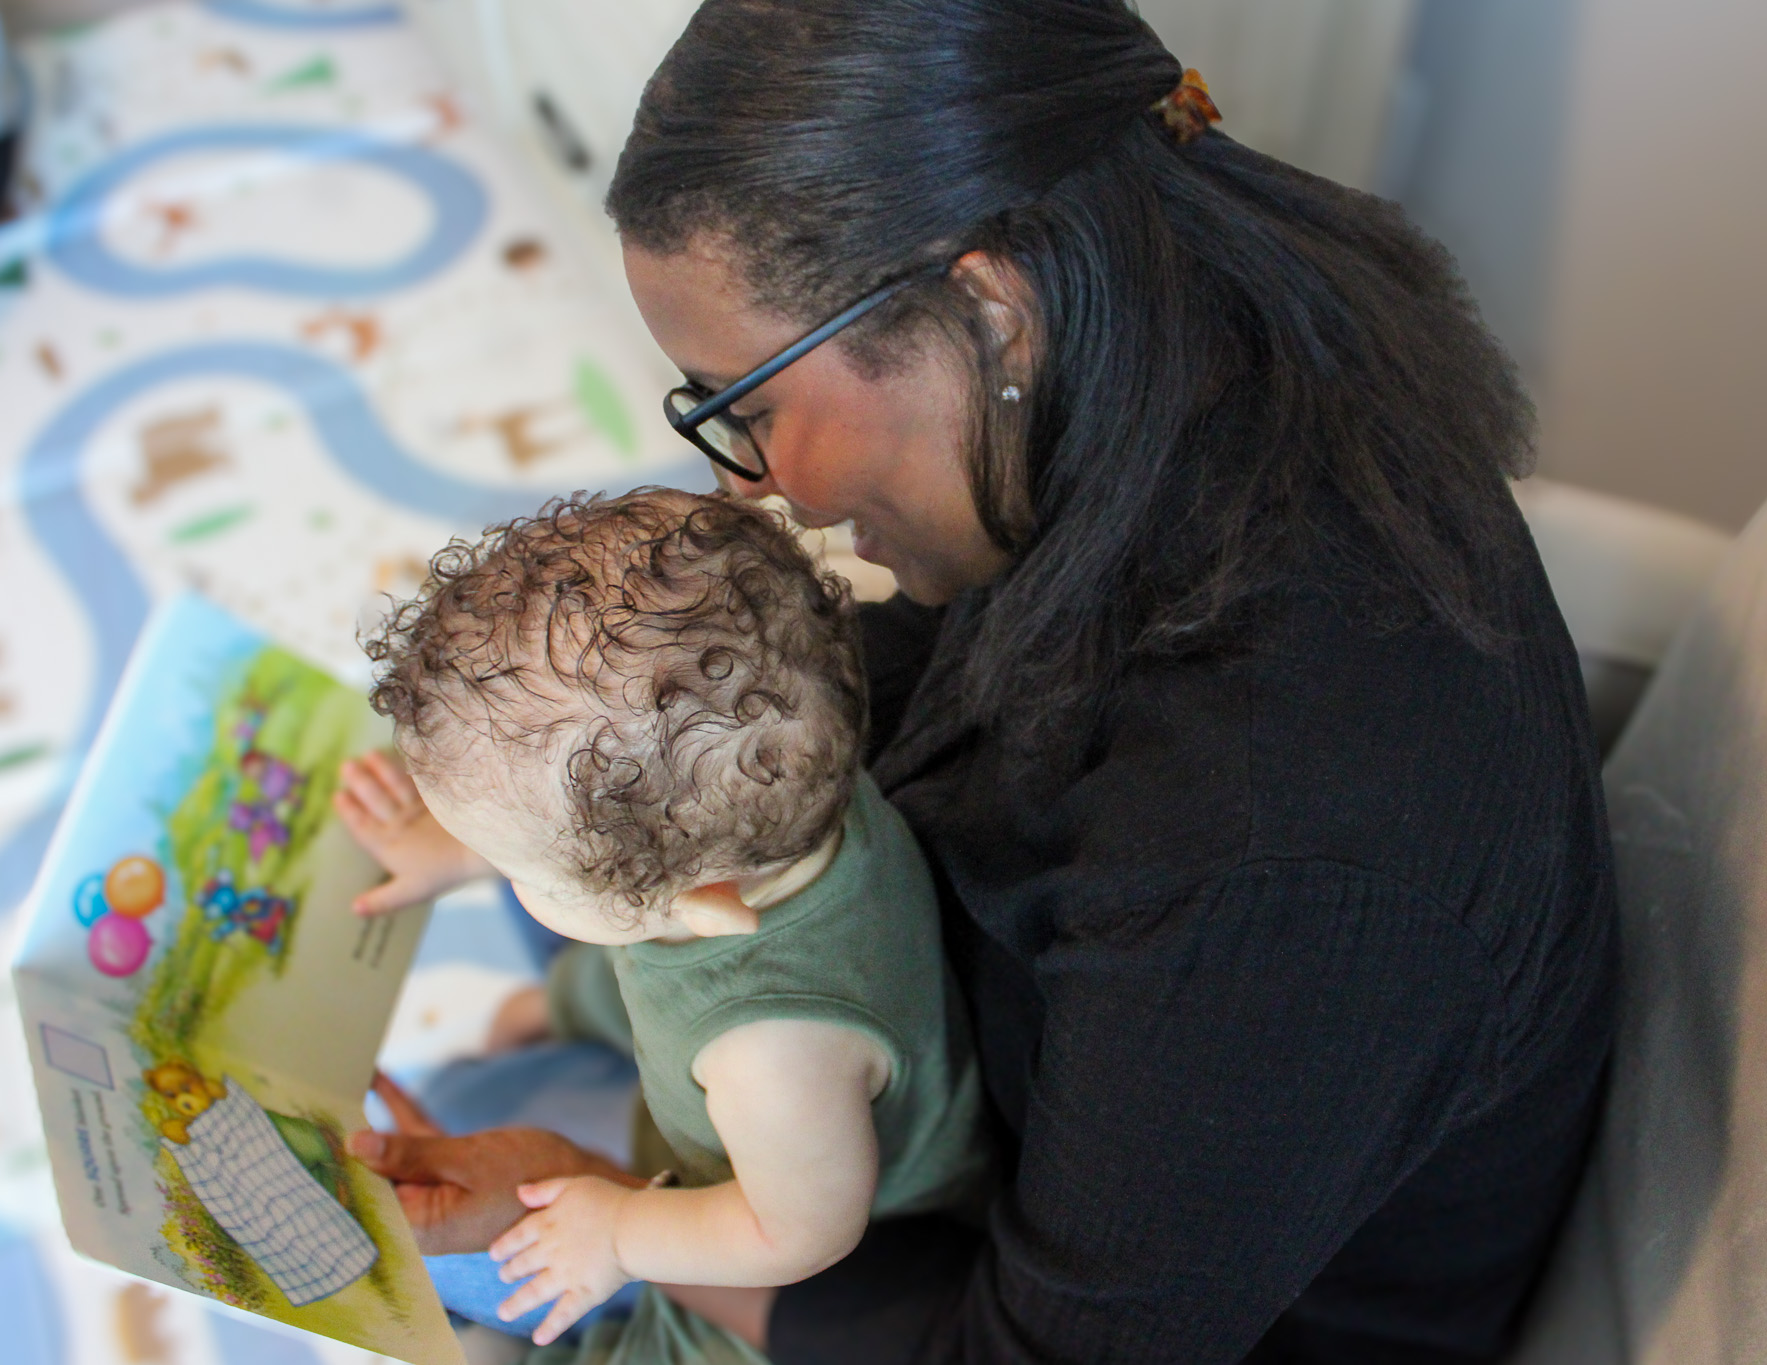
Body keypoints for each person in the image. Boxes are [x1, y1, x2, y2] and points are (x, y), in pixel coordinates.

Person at [350, 1, 1618, 1360]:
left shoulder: (1276, 849)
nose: (750, 486)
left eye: (748, 406)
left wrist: (606, 1208)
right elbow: (896, 692)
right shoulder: (1147, 412)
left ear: (987, 306)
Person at [336, 490, 986, 1358]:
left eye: (513, 866)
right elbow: (649, 909)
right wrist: (465, 858)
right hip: (710, 1077)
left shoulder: (770, 1057)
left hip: (778, 1248)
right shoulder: (780, 781)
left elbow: (799, 1235)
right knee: (572, 935)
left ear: (700, 905)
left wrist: (619, 1230)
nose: (492, 870)